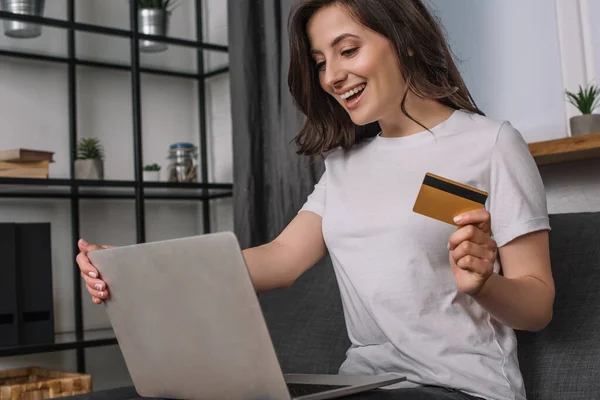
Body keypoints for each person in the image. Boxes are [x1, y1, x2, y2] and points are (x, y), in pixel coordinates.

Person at [76, 0, 555, 399]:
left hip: (460, 388)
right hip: (364, 384)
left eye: (347, 50)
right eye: (321, 61)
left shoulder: (488, 143)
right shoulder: (345, 164)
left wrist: (484, 286)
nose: (332, 76)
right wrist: (136, 268)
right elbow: (280, 260)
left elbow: (537, 306)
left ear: (405, 40)